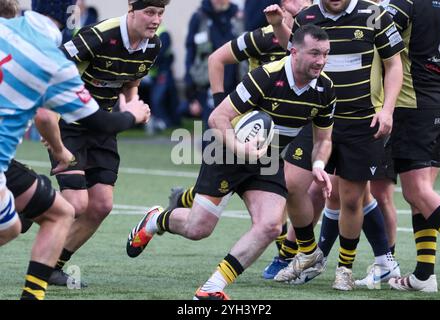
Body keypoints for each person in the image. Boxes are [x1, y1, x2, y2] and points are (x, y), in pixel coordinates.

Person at [126, 25, 336, 300]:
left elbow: (323, 140)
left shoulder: (325, 89)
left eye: (325, 54)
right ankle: (156, 220)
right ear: (294, 52)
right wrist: (241, 148)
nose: (320, 61)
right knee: (198, 229)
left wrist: (319, 165)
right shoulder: (265, 77)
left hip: (267, 158)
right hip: (227, 151)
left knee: (271, 226)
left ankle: (212, 287)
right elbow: (217, 118)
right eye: (314, 53)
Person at [0, 0, 150, 299]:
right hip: (23, 151)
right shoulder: (56, 64)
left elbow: (43, 116)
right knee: (14, 227)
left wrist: (59, 151)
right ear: (70, 16)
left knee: (60, 211)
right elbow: (98, 121)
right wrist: (134, 114)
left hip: (17, 162)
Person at [168, 0, 314, 280]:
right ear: (281, 7)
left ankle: (294, 254)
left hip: (290, 129)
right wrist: (223, 107)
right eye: (294, 0)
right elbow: (216, 60)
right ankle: (161, 217)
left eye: (306, 0)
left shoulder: (317, 42)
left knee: (284, 201)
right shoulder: (263, 37)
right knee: (199, 228)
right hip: (251, 132)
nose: (302, 5)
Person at [265, 0, 404, 290]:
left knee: (352, 198)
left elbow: (394, 65)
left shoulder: (375, 14)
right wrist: (279, 24)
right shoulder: (307, 16)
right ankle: (308, 254)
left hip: (361, 123)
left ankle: (345, 268)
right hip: (315, 118)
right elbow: (292, 52)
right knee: (291, 184)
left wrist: (388, 109)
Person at [47, 0, 169, 287]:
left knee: (101, 205)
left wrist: (132, 104)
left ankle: (52, 266)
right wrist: (48, 118)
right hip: (69, 124)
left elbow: (131, 80)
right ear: (131, 10)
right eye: (149, 12)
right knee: (76, 202)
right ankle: (28, 205)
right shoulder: (99, 36)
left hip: (103, 125)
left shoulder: (153, 45)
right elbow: (52, 68)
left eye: (161, 14)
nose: (155, 20)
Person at [386, 0, 440, 292]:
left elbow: (373, 29)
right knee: (421, 195)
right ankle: (424, 274)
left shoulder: (407, 2)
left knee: (416, 191)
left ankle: (424, 274)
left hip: (416, 105)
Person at [184, 0, 242, 139]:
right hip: (207, 86)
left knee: (236, 132)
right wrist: (191, 94)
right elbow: (190, 55)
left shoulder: (239, 16)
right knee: (211, 131)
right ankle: (209, 160)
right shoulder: (199, 17)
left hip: (237, 84)